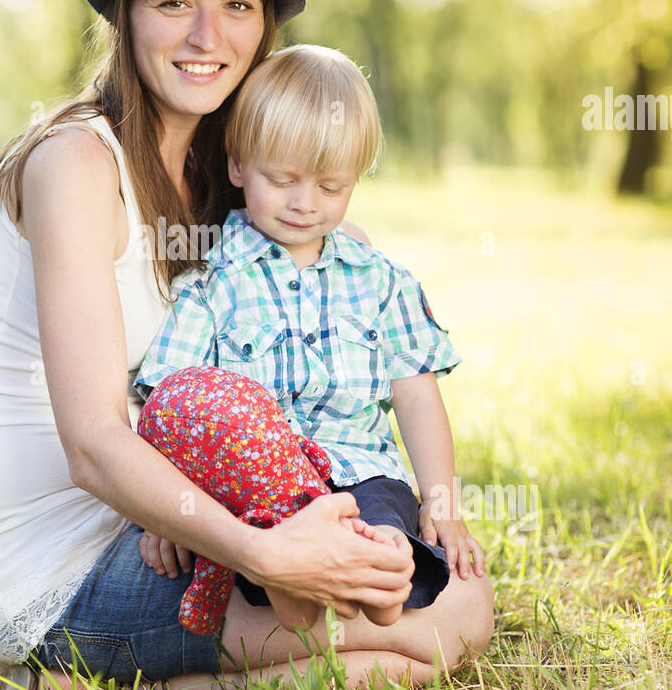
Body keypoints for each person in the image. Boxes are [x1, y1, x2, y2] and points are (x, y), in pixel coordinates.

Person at [0, 0, 493, 690]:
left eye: (238, 5)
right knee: (435, 624)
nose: (207, 34)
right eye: (173, 2)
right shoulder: (75, 164)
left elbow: (328, 286)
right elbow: (92, 443)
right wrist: (271, 558)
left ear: (264, 25)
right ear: (124, 14)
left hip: (173, 521)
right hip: (57, 570)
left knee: (455, 615)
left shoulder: (219, 175)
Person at [133, 43, 486, 638]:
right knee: (280, 536)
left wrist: (441, 500)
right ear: (238, 165)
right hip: (261, 490)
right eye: (282, 179)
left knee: (390, 543)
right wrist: (166, 513)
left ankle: (368, 573)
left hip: (363, 475)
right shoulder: (212, 282)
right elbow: (170, 404)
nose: (305, 204)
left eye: (331, 187)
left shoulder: (380, 280)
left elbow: (417, 397)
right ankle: (295, 578)